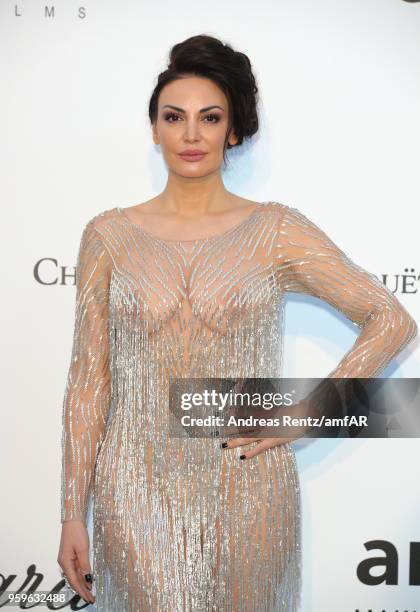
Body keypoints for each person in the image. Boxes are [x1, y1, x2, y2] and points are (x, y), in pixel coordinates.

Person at [56, 34, 417, 611]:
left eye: (210, 117)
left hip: (247, 478)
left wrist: (309, 411)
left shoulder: (274, 229)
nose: (191, 134)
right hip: (134, 487)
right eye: (174, 117)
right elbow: (88, 381)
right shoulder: (107, 236)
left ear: (234, 130)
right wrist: (73, 511)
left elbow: (390, 319)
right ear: (154, 129)